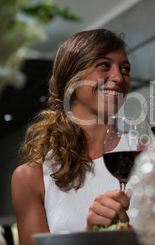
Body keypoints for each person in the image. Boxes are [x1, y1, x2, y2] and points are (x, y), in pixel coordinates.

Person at [11, 29, 132, 244]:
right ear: (71, 78)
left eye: (125, 69)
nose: (119, 77)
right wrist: (89, 235)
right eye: (104, 65)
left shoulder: (148, 154)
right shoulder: (30, 177)